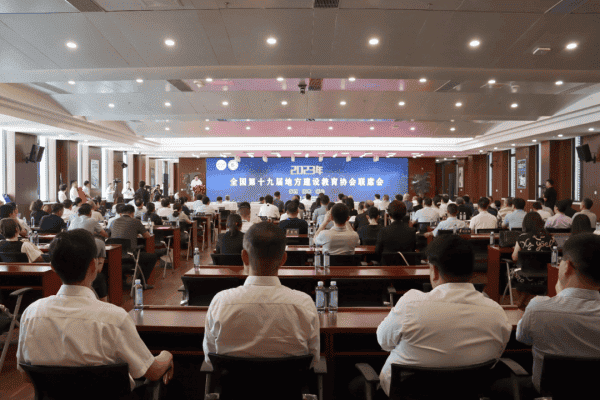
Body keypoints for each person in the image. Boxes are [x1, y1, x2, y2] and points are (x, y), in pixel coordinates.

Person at [16, 229, 174, 394]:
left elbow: (26, 375)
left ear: (53, 267)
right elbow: (153, 372)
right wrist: (166, 355)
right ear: (93, 265)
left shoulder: (31, 314)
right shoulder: (115, 319)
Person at [353, 235, 510, 399]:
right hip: (466, 393)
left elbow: (383, 341)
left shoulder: (411, 304)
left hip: (405, 394)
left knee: (357, 386)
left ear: (434, 271)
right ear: (472, 271)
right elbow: (495, 357)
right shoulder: (496, 314)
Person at [203, 222, 319, 369]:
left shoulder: (220, 302)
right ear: (283, 259)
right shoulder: (304, 303)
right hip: (291, 384)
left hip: (231, 383)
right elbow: (313, 360)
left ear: (244, 256)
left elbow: (210, 358)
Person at [512, 233, 600, 397]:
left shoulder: (538, 309)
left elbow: (522, 338)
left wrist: (559, 296)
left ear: (567, 266)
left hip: (546, 391)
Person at [110, 205, 157, 289]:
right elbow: (147, 236)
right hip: (130, 255)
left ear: (121, 213)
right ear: (132, 213)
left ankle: (124, 279)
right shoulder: (136, 221)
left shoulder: (113, 222)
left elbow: (110, 234)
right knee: (152, 257)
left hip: (115, 255)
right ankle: (141, 283)